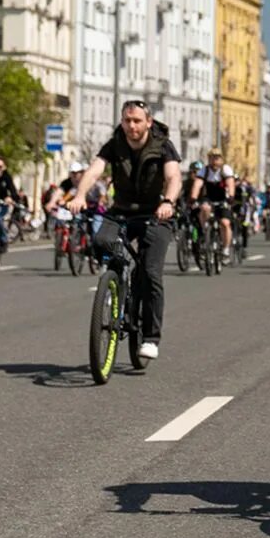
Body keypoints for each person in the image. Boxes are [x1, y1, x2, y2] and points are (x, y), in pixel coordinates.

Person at [68, 100, 182, 359]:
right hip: (122, 211)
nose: (132, 126)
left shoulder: (163, 145)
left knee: (151, 273)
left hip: (156, 213)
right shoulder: (114, 144)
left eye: (137, 121)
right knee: (101, 240)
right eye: (127, 120)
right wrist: (80, 195)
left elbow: (173, 177)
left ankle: (151, 337)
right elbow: (95, 169)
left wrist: (168, 202)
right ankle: (118, 278)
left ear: (148, 122)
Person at [189, 148, 237, 260]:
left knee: (225, 223)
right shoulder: (204, 170)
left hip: (223, 199)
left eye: (217, 158)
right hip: (209, 197)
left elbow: (231, 184)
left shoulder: (225, 169)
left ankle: (225, 248)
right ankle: (205, 230)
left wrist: (230, 197)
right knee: (204, 208)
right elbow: (197, 184)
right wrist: (193, 198)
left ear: (221, 159)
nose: (214, 161)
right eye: (211, 158)